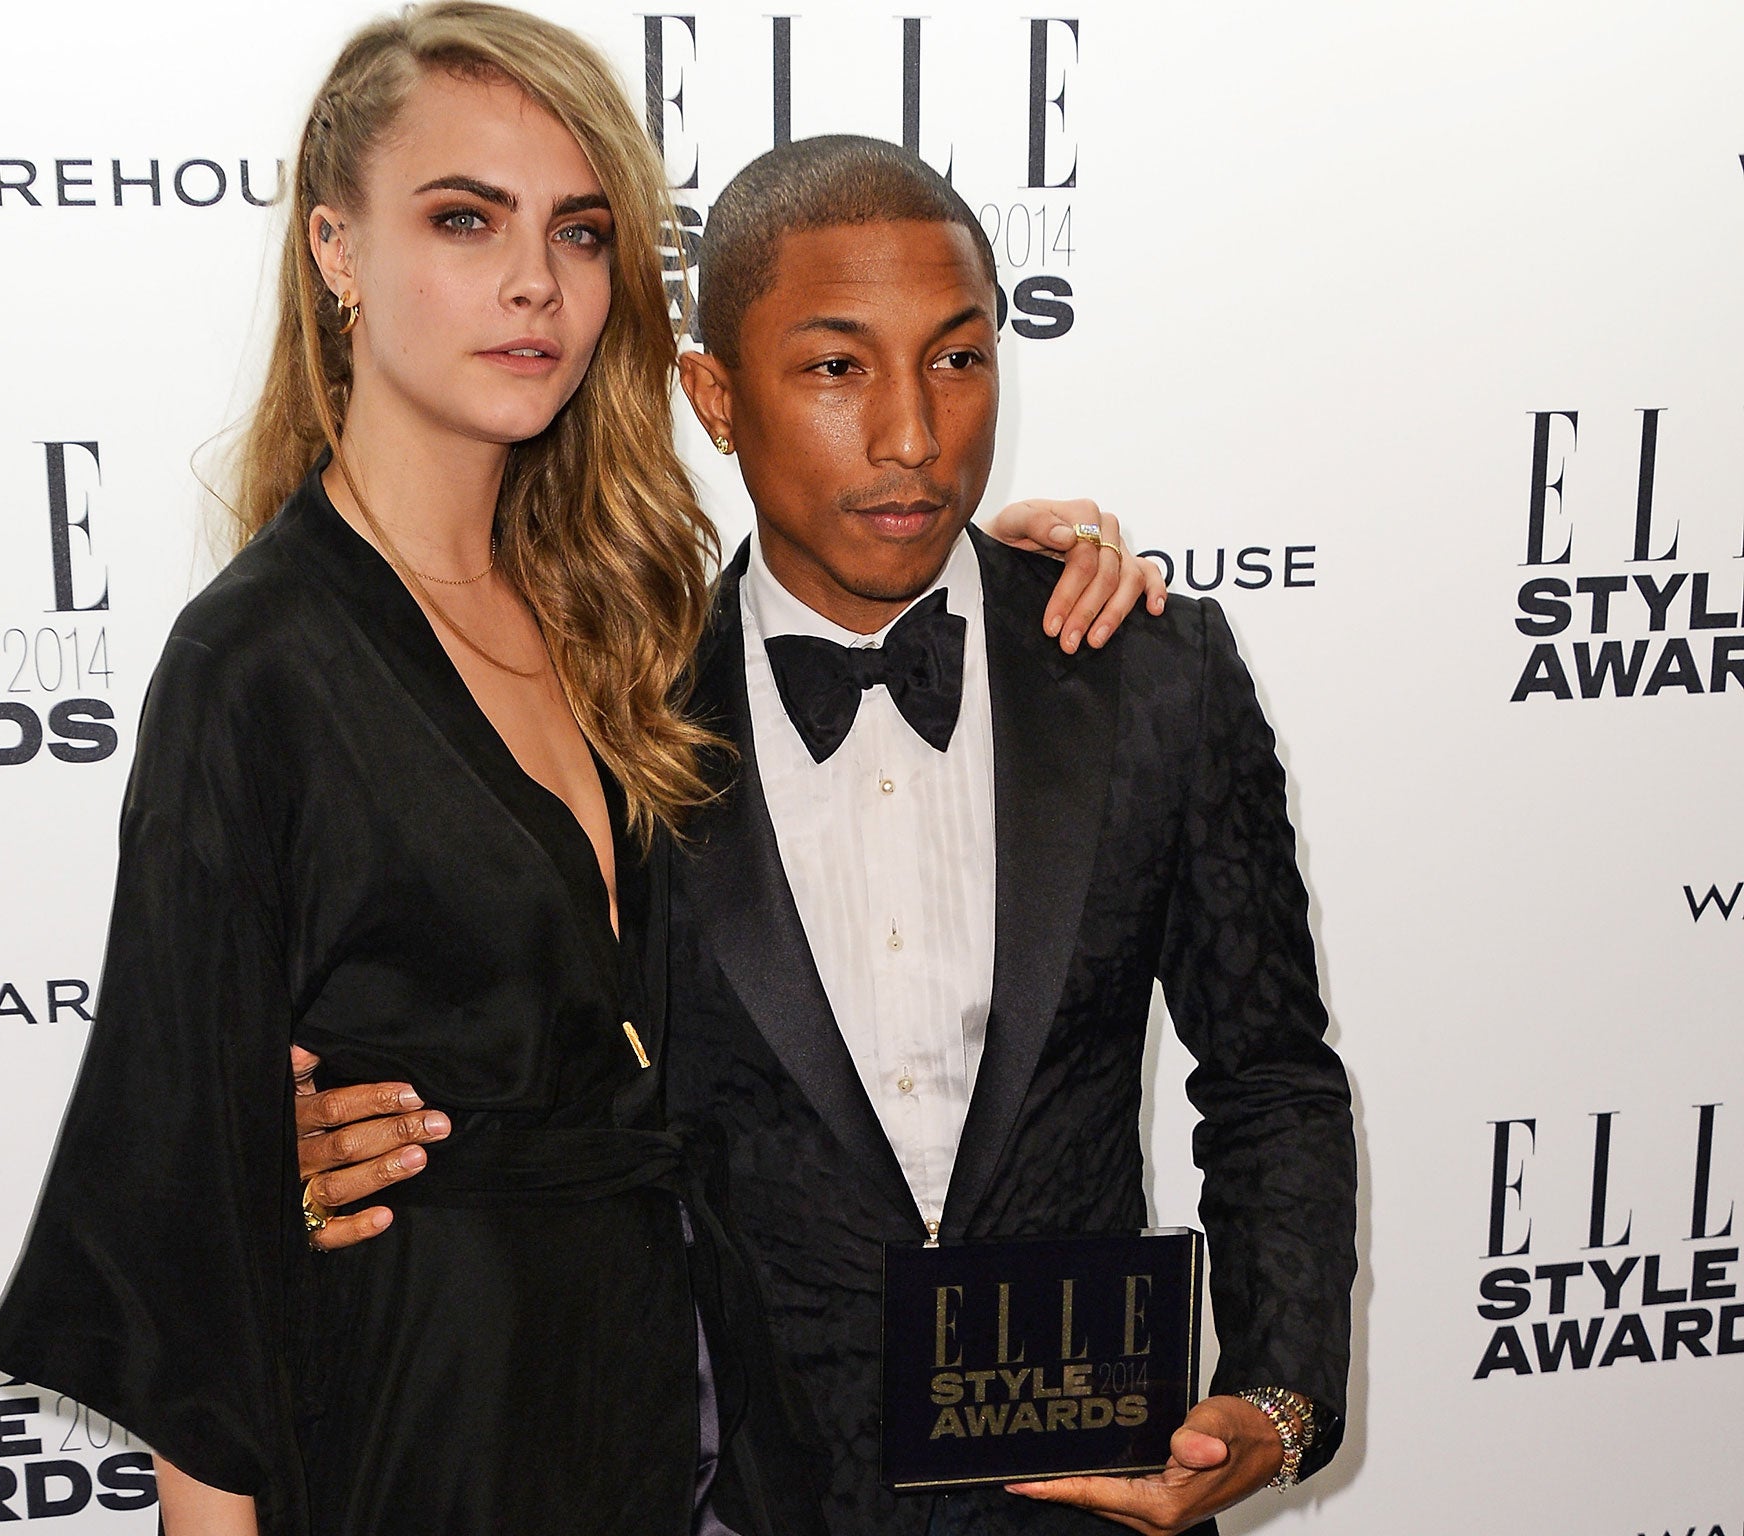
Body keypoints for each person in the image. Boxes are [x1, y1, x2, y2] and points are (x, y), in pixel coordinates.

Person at [0, 8, 1157, 1536]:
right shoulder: (254, 670)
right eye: (466, 219)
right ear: (335, 250)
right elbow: (192, 1256)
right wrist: (272, 1174)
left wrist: (998, 571)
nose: (536, 280)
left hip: (691, 1432)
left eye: (581, 232)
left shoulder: (635, 615)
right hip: (429, 1432)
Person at [307, 135, 1357, 1536]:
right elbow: (514, 1099)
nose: (916, 437)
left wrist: (1277, 1403)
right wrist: (338, 1144)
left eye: (960, 359)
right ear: (715, 396)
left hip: (1089, 1505)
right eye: (836, 368)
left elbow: (1273, 1072)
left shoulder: (1144, 672)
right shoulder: (597, 710)